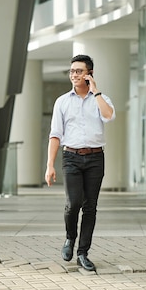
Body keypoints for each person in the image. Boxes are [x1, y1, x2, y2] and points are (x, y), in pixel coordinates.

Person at [45, 54, 115, 272]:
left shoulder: (101, 98)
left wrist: (96, 92)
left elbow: (109, 116)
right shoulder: (62, 102)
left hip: (95, 158)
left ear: (89, 74)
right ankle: (69, 238)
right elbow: (55, 134)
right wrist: (50, 165)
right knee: (73, 203)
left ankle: (83, 253)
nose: (74, 75)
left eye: (79, 71)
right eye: (72, 71)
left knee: (90, 207)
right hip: (71, 157)